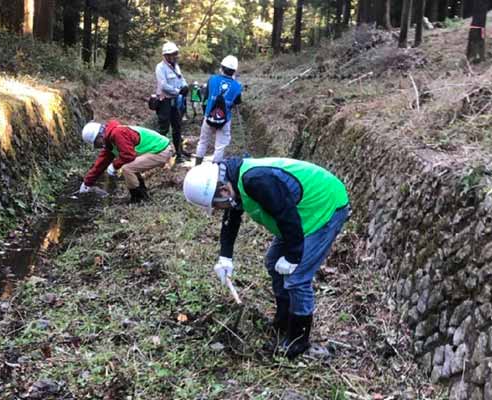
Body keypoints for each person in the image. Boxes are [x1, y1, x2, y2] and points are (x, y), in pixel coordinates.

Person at [182, 157, 350, 358]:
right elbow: (232, 218)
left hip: (323, 205)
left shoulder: (257, 181)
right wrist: (225, 257)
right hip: (296, 215)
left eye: (217, 205)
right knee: (273, 262)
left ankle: (298, 340)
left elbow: (287, 215)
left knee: (297, 278)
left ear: (223, 191)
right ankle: (283, 319)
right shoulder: (232, 180)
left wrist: (293, 256)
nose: (220, 210)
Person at [79, 120, 174, 203]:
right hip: (157, 149)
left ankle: (139, 198)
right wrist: (87, 183)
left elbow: (128, 155)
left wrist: (114, 166)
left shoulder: (118, 133)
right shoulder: (110, 142)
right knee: (131, 166)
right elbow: (99, 165)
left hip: (162, 150)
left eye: (96, 143)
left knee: (127, 168)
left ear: (99, 136)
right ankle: (142, 191)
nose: (99, 146)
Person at [195, 56, 243, 165]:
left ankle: (197, 166)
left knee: (202, 142)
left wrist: (205, 113)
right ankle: (215, 171)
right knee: (220, 146)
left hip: (208, 116)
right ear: (234, 71)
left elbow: (206, 98)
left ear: (222, 67)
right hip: (225, 119)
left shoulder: (212, 79)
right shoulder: (237, 86)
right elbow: (237, 102)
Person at [155, 42, 190, 161]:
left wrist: (185, 86)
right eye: (173, 54)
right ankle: (158, 153)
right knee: (163, 128)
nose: (175, 56)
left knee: (177, 127)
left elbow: (181, 78)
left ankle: (179, 153)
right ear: (166, 55)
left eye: (176, 54)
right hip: (164, 101)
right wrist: (178, 91)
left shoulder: (176, 66)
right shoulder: (160, 67)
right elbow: (163, 85)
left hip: (176, 102)